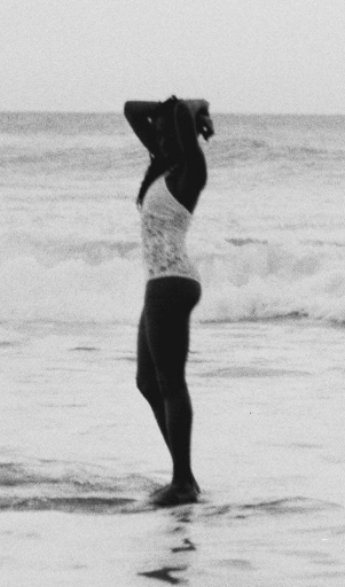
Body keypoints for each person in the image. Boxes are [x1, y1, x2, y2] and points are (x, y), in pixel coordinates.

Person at [123, 95, 214, 506]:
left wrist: (196, 107)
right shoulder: (162, 164)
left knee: (171, 382)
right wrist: (168, 111)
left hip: (172, 283)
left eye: (166, 131)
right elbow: (131, 109)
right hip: (160, 283)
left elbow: (181, 115)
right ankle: (185, 477)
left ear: (183, 133)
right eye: (156, 131)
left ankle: (182, 483)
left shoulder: (191, 170)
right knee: (147, 382)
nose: (158, 136)